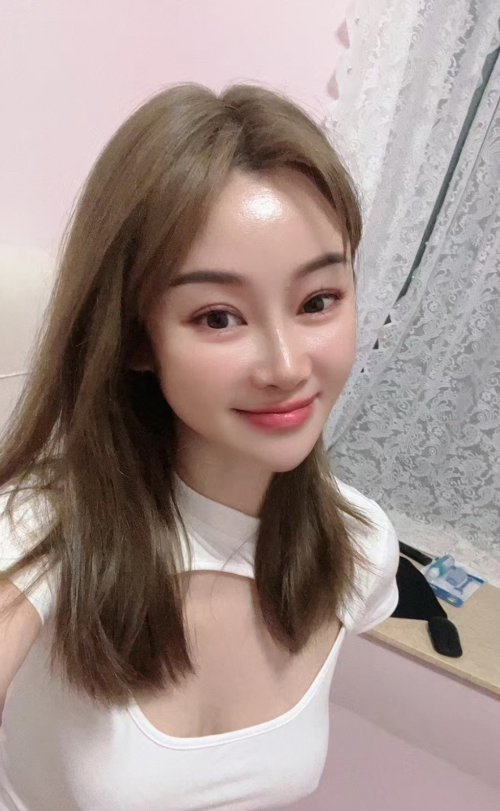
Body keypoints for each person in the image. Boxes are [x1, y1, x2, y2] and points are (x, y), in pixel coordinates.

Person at [0, 82, 399, 811]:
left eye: (317, 301)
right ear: (135, 338)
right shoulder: (39, 529)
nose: (286, 366)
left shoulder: (360, 546)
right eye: (219, 316)